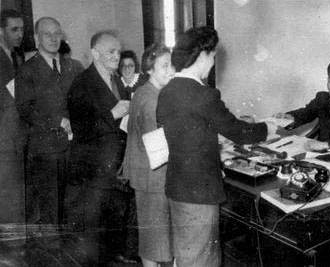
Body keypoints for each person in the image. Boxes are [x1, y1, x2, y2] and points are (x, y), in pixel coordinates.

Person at [156, 26, 269, 267]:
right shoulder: (203, 95)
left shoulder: (166, 92)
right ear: (202, 56)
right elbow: (240, 132)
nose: (213, 62)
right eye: (212, 56)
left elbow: (181, 134)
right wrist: (270, 126)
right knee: (201, 259)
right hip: (199, 193)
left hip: (177, 187)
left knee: (187, 253)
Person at [15, 17, 84, 244]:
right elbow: (25, 108)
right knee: (50, 206)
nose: (54, 38)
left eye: (57, 34)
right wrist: (58, 120)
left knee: (72, 201)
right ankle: (52, 252)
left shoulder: (72, 66)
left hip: (73, 146)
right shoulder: (27, 70)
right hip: (46, 149)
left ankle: (68, 248)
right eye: (47, 34)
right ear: (36, 38)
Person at [67, 30, 130, 266]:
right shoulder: (81, 83)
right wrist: (113, 114)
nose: (117, 56)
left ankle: (116, 256)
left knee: (116, 213)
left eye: (118, 51)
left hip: (116, 164)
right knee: (93, 222)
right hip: (92, 167)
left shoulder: (116, 80)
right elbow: (81, 128)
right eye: (111, 51)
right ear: (95, 53)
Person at [123, 43, 175, 267]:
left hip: (144, 174)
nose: (171, 70)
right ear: (149, 69)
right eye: (164, 66)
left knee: (151, 238)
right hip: (153, 177)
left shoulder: (144, 91)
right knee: (156, 240)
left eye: (172, 65)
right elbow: (159, 150)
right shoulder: (152, 100)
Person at [0, 9, 27, 233]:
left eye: (22, 29)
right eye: (14, 29)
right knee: (7, 192)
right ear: (1, 31)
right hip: (3, 136)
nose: (19, 34)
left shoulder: (17, 57)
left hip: (16, 135)